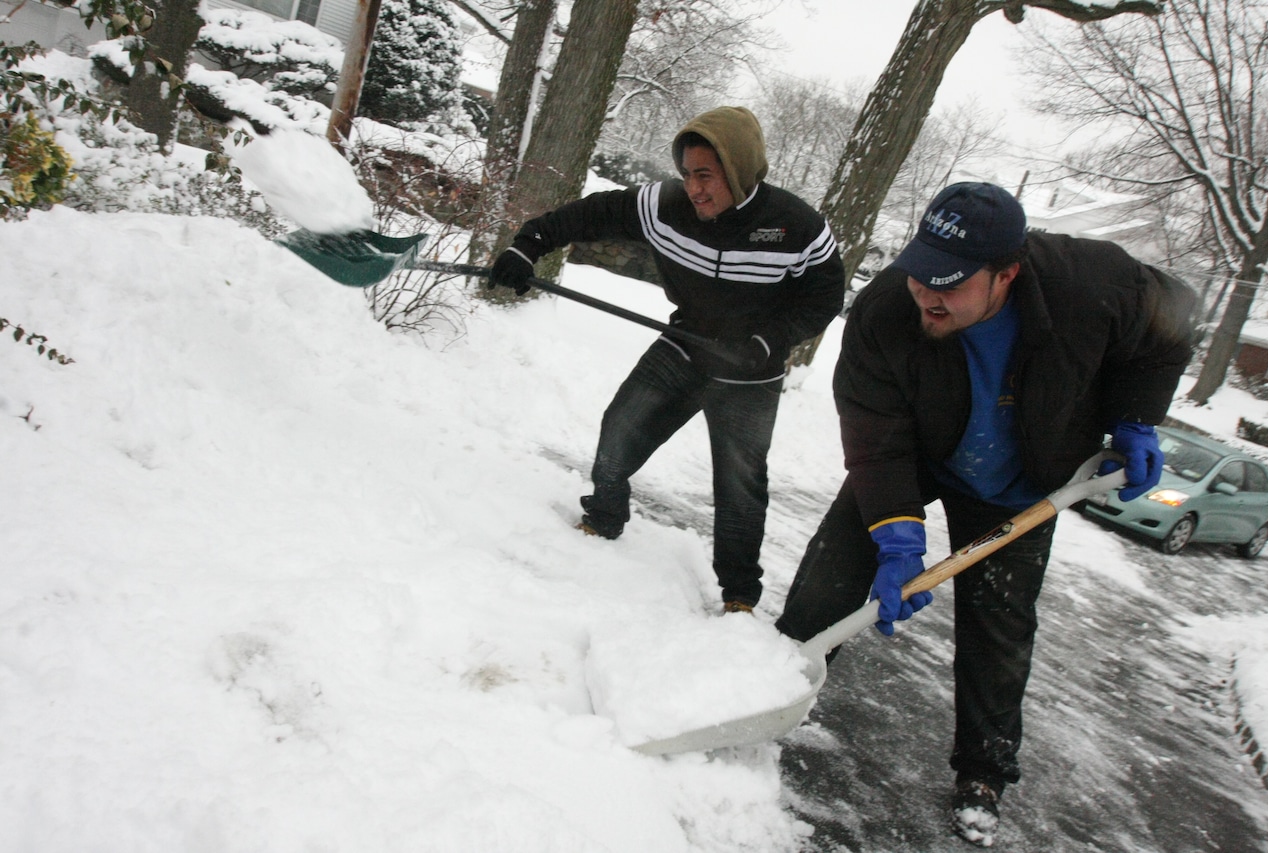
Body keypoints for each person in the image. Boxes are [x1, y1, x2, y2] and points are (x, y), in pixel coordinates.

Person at [773, 182, 1198, 845]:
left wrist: (1137, 418)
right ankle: (771, 686)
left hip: (1021, 478)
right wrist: (897, 536)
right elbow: (875, 433)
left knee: (998, 620)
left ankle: (984, 770)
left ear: (1007, 273)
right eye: (920, 275)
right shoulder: (886, 309)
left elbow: (1172, 323)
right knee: (832, 572)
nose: (926, 294)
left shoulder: (1091, 285)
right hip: (916, 450)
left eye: (948, 284)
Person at [490, 106, 845, 613]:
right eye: (687, 175)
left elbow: (826, 296)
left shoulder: (797, 228)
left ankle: (740, 598)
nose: (694, 189)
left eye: (706, 175)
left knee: (740, 487)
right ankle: (602, 520)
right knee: (619, 430)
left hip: (749, 370)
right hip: (686, 346)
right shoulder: (663, 206)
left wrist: (771, 339)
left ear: (739, 170)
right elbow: (589, 214)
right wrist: (528, 247)